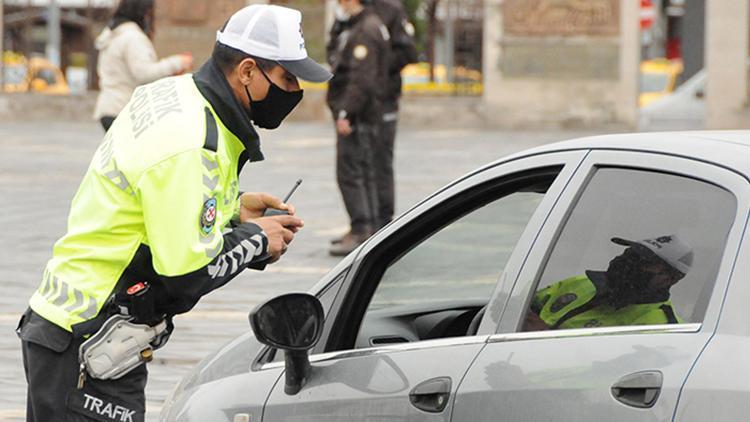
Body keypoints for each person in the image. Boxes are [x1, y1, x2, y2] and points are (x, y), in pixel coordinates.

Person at [17, 5, 331, 421]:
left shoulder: (175, 95)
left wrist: (233, 212)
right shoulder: (191, 141)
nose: (294, 89)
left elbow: (156, 204)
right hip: (91, 339)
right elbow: (185, 273)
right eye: (287, 78)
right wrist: (257, 240)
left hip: (74, 328)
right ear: (248, 71)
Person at [326, 0, 391, 256]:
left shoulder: (366, 29)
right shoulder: (362, 25)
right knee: (363, 169)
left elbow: (361, 79)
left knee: (352, 173)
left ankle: (362, 229)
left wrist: (346, 113)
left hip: (359, 116)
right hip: (364, 114)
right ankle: (367, 227)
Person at [524, 235, 693, 331]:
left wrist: (544, 337)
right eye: (631, 254)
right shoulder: (582, 283)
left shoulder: (660, 327)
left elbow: (608, 376)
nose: (628, 262)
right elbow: (519, 307)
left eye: (644, 262)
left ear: (671, 279)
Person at [93, 0, 193, 131]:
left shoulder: (113, 35)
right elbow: (144, 74)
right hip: (123, 109)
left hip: (108, 108)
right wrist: (177, 62)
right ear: (143, 12)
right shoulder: (133, 38)